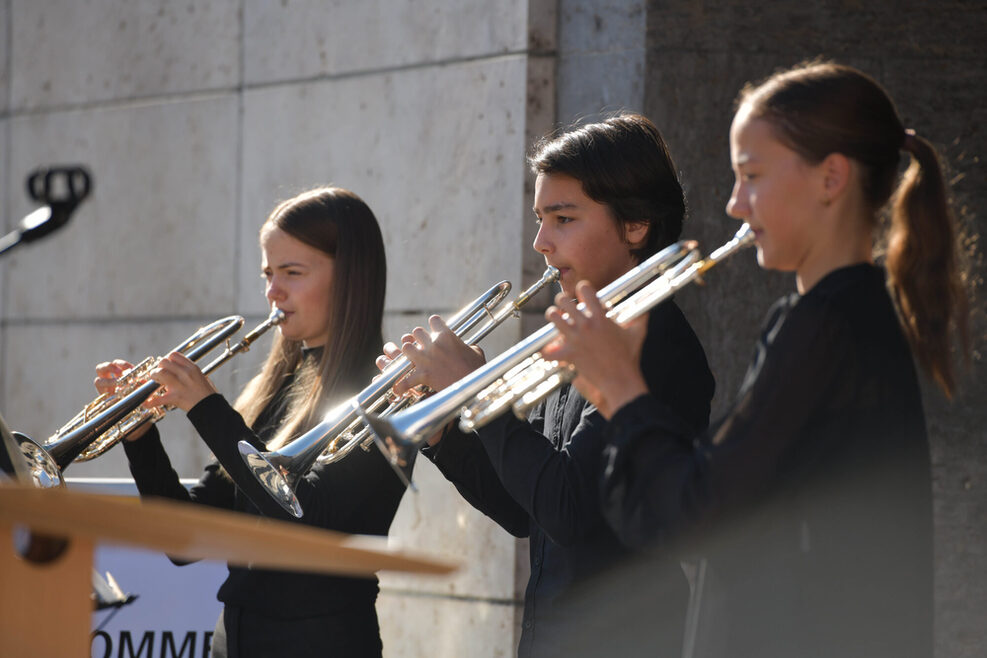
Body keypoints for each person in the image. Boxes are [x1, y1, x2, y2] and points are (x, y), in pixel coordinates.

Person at [543, 61, 971, 658]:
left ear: (831, 178)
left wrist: (620, 388)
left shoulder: (825, 324)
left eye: (751, 176)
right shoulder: (848, 311)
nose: (735, 204)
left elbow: (695, 514)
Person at [380, 113, 715, 657]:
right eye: (540, 219)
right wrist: (443, 428)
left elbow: (568, 508)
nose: (540, 242)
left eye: (563, 219)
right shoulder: (580, 337)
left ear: (635, 225)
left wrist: (476, 388)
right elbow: (525, 510)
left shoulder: (655, 345)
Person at [95, 187, 408, 658]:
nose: (272, 291)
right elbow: (184, 542)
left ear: (350, 278)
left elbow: (305, 515)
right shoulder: (275, 387)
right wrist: (139, 436)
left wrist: (207, 409)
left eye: (292, 272)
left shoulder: (386, 391)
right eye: (268, 273)